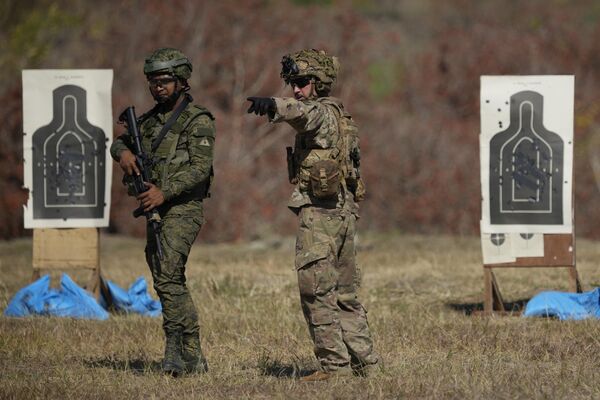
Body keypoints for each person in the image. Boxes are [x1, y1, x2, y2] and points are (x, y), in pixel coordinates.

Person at [247, 49, 380, 381]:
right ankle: (365, 364)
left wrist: (273, 105)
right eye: (292, 83)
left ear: (319, 83)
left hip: (321, 218)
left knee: (316, 291)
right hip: (344, 216)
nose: (296, 90)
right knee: (346, 295)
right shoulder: (341, 115)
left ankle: (335, 368)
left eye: (303, 83)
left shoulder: (320, 113)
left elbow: (302, 113)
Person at [110, 47, 215, 376]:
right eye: (153, 81)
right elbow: (119, 141)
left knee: (168, 275)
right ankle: (194, 353)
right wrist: (122, 153)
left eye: (165, 80)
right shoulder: (147, 122)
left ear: (182, 81)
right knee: (166, 277)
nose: (158, 87)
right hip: (154, 208)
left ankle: (175, 347)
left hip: (183, 208)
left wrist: (163, 192)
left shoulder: (198, 120)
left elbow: (200, 168)